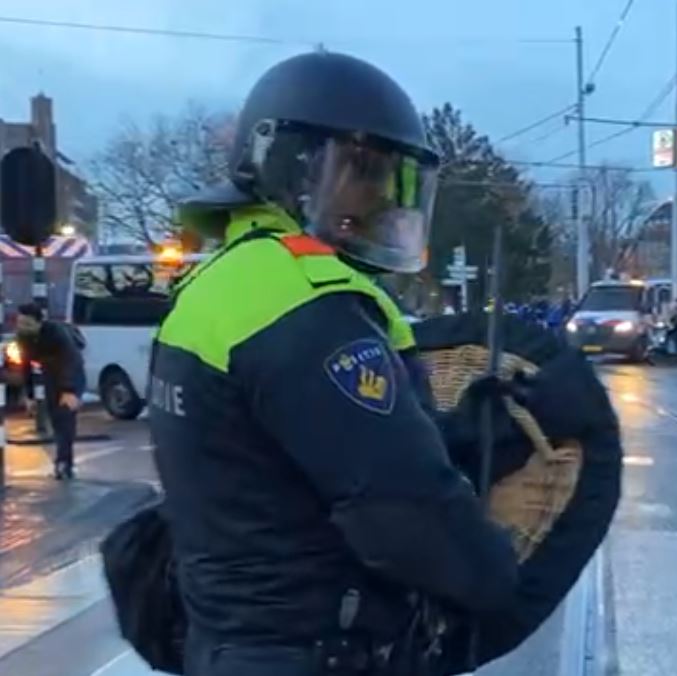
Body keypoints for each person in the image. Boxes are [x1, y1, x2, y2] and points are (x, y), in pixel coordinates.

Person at [153, 51, 518, 675]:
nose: (378, 197)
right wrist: (496, 576)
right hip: (311, 652)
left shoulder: (221, 280)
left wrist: (445, 432)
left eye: (389, 179)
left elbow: (280, 465)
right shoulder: (304, 302)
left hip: (231, 641)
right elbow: (402, 507)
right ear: (292, 165)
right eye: (361, 170)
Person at [15, 303, 85, 480]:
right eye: (21, 323)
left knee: (65, 417)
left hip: (72, 374)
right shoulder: (23, 337)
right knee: (56, 417)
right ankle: (62, 461)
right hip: (51, 375)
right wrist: (29, 395)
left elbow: (71, 359)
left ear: (40, 322)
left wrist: (69, 390)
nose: (23, 328)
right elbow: (25, 366)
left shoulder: (56, 332)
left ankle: (64, 463)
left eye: (28, 324)